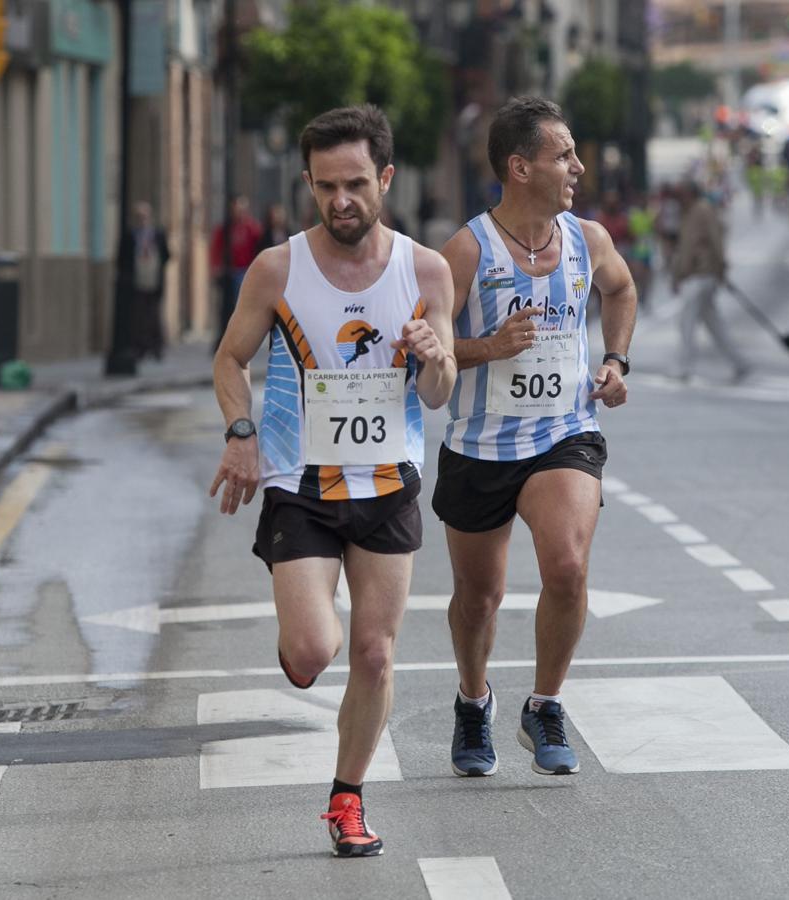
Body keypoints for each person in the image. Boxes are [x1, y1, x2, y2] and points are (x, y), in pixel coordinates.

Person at [208, 104, 456, 857]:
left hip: (388, 484)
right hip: (300, 484)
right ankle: (301, 635)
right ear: (309, 185)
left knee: (375, 654)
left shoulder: (425, 270)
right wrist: (241, 434)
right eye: (324, 187)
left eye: (354, 184)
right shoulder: (278, 268)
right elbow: (228, 360)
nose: (340, 201)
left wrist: (431, 353)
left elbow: (440, 391)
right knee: (315, 653)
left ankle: (347, 799)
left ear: (385, 177)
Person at [435, 96, 637, 779]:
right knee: (478, 597)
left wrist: (615, 362)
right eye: (563, 156)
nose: (578, 167)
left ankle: (545, 703)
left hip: (564, 433)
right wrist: (487, 347)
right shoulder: (466, 250)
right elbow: (422, 352)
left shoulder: (588, 239)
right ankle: (473, 701)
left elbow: (622, 291)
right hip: (479, 445)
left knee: (568, 566)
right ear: (519, 168)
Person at [672, 179, 749, 383]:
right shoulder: (689, 212)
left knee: (687, 321)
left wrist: (721, 266)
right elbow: (684, 247)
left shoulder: (703, 210)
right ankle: (739, 362)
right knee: (714, 323)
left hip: (701, 274)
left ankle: (685, 367)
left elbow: (716, 238)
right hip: (695, 274)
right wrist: (678, 273)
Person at [120, 201, 171, 360]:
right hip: (138, 280)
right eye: (139, 216)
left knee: (154, 314)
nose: (142, 219)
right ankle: (140, 346)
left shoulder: (157, 234)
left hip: (154, 279)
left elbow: (166, 255)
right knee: (139, 316)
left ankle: (156, 347)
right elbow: (123, 258)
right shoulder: (132, 235)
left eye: (145, 216)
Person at [211, 196, 264, 346]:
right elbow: (217, 248)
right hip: (230, 271)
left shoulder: (251, 227)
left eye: (242, 209)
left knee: (243, 305)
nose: (239, 212)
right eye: (236, 209)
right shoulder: (225, 229)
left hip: (246, 271)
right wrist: (216, 267)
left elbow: (260, 246)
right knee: (228, 307)